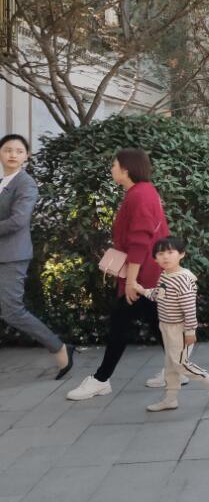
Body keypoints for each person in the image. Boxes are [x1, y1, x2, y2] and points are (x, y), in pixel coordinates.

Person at [68, 149, 170, 400]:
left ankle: (101, 379)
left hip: (142, 274)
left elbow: (139, 241)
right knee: (156, 323)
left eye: (114, 165)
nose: (111, 169)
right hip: (148, 272)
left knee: (120, 325)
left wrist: (132, 281)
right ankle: (179, 368)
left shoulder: (140, 195)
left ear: (126, 168)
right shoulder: (142, 192)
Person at [0, 134, 74, 379]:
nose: (12, 154)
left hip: (12, 255)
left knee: (12, 311)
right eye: (7, 149)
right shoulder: (2, 182)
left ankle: (59, 347)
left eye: (19, 151)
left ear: (26, 156)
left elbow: (18, 220)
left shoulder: (26, 183)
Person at [134, 237, 209, 412]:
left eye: (170, 252)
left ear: (181, 254)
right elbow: (159, 294)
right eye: (161, 253)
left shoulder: (183, 279)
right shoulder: (165, 275)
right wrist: (143, 290)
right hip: (166, 326)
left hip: (179, 329)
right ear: (155, 258)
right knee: (170, 365)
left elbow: (189, 308)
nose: (166, 257)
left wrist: (190, 331)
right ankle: (170, 399)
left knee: (180, 363)